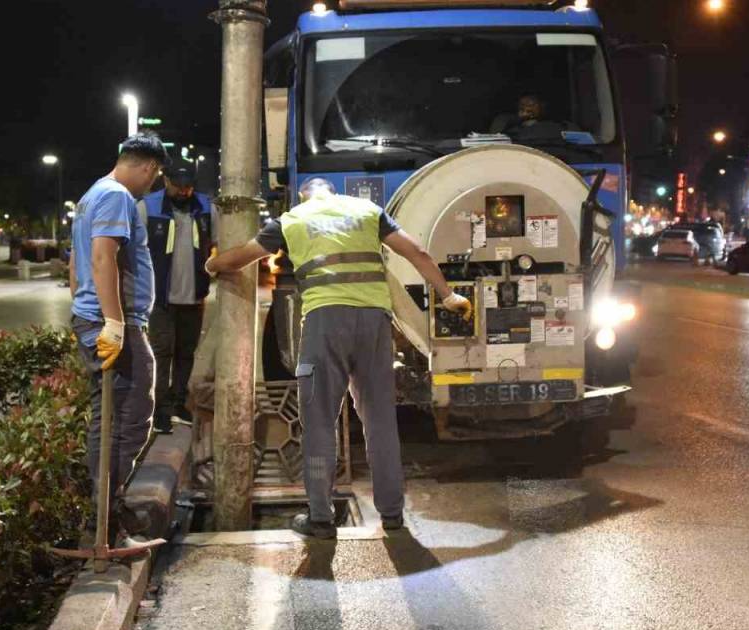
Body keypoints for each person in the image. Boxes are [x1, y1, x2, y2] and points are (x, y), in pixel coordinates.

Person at [205, 177, 472, 539]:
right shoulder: (367, 211)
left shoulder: (292, 219)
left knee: (318, 421)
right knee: (379, 420)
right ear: (333, 191)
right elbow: (418, 253)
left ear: (304, 194)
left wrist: (214, 264)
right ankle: (392, 516)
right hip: (375, 322)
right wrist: (448, 295)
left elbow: (240, 258)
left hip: (325, 322)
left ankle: (320, 518)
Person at [67, 133, 166, 542]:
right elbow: (102, 256)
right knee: (130, 418)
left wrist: (85, 308)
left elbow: (75, 262)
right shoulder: (117, 196)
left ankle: (107, 512)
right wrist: (113, 322)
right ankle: (103, 518)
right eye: (154, 176)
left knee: (109, 418)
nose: (152, 185)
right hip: (112, 324)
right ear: (146, 167)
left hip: (94, 318)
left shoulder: (92, 193)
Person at [144, 161, 214, 432]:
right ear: (166, 181)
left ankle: (178, 405)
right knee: (162, 354)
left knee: (186, 353)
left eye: (188, 186)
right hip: (160, 300)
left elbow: (217, 243)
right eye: (178, 186)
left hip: (193, 298)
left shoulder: (206, 207)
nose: (184, 192)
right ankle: (159, 411)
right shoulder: (147, 208)